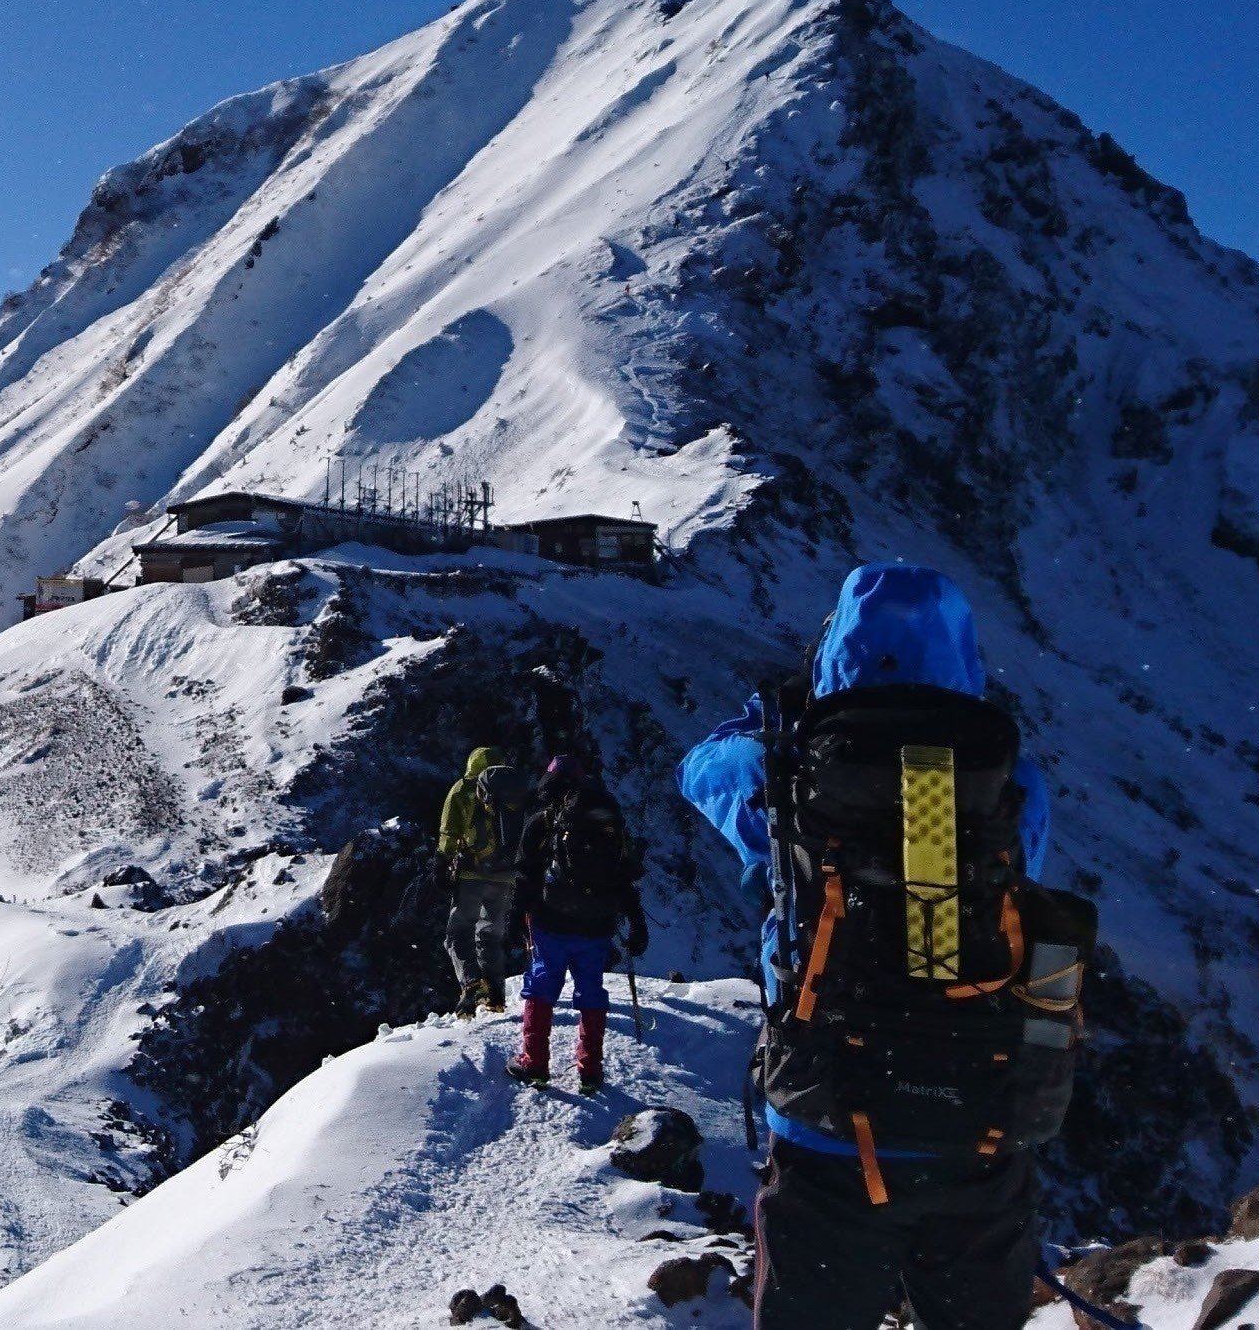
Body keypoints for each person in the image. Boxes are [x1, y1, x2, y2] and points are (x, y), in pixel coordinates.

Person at [677, 563, 1086, 1330]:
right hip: (980, 1131)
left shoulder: (787, 775)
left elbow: (699, 768)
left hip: (828, 1127)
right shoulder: (1012, 786)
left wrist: (784, 716)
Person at [507, 758, 647, 1090]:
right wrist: (637, 923)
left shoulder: (542, 823)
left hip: (550, 921)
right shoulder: (608, 825)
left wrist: (514, 918)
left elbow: (525, 878)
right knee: (591, 991)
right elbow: (624, 877)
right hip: (597, 925)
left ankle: (535, 1064)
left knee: (542, 986)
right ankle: (590, 1071)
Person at [434, 746, 523, 1015]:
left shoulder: (462, 789)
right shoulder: (512, 790)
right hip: (505, 876)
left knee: (457, 933)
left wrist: (441, 864)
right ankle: (495, 994)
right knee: (490, 934)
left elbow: (448, 832)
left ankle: (471, 983)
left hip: (471, 873)